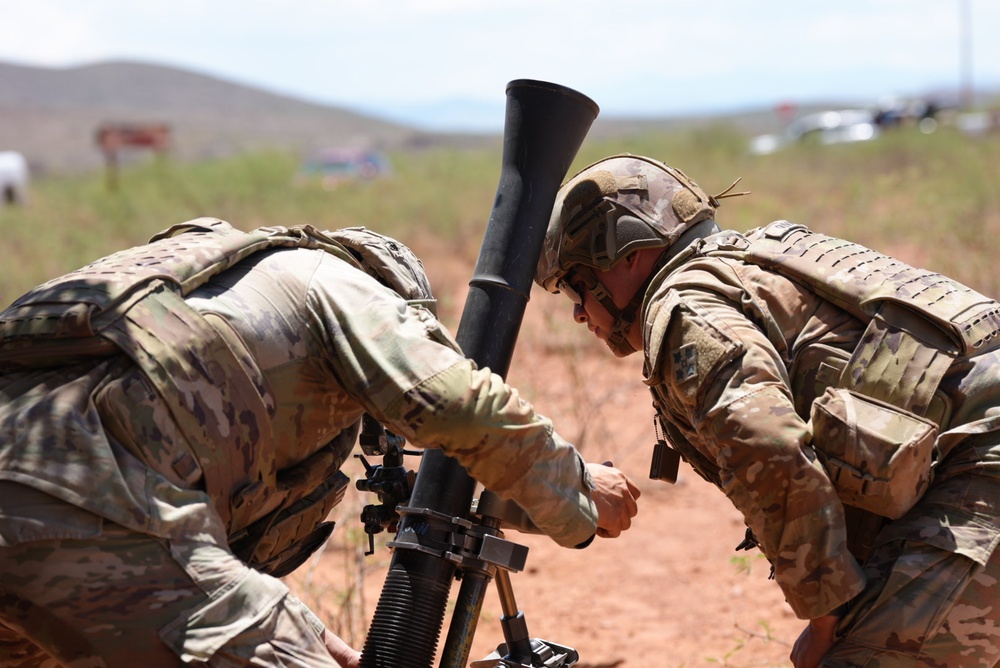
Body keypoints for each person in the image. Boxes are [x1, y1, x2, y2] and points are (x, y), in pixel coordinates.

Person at [0, 217, 641, 668]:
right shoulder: (331, 281)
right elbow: (457, 401)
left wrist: (298, 632)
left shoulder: (218, 287)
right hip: (81, 497)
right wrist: (576, 489)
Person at [535, 153, 1000, 668]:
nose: (578, 311)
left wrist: (826, 621)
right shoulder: (747, 262)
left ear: (629, 254)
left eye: (576, 283)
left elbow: (771, 451)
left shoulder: (685, 308)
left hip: (979, 468)